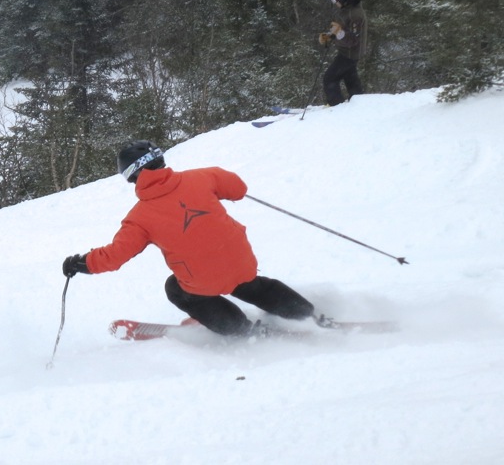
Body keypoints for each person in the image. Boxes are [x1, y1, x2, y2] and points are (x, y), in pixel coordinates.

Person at [62, 140, 326, 337]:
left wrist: (81, 263)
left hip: (202, 279)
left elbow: (114, 256)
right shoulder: (202, 176)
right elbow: (238, 189)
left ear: (131, 176)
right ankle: (308, 314)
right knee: (249, 284)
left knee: (176, 289)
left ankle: (242, 330)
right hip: (242, 261)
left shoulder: (139, 217)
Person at [318, 0, 367, 106]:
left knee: (330, 78)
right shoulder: (347, 10)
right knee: (349, 76)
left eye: (335, 1)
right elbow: (342, 29)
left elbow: (352, 39)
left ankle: (335, 106)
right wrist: (329, 35)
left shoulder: (356, 15)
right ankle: (359, 103)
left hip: (350, 53)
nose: (335, 4)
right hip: (348, 51)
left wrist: (338, 33)